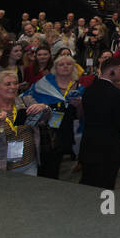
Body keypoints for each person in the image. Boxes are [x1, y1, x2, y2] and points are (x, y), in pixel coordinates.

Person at [0, 71, 50, 174]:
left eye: (15, 83)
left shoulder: (27, 102)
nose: (13, 87)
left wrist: (44, 107)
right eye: (7, 84)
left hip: (29, 165)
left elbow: (45, 120)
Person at [30, 53, 85, 181]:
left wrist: (79, 105)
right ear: (55, 68)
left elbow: (80, 115)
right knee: (45, 165)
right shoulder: (44, 84)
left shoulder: (79, 87)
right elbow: (31, 101)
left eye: (69, 64)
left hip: (66, 130)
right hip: (46, 130)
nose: (65, 66)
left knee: (59, 165)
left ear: (74, 67)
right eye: (61, 64)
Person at [79, 57, 120, 189]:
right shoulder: (117, 94)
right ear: (111, 71)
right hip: (108, 149)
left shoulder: (88, 91)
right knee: (106, 187)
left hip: (88, 145)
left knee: (88, 184)